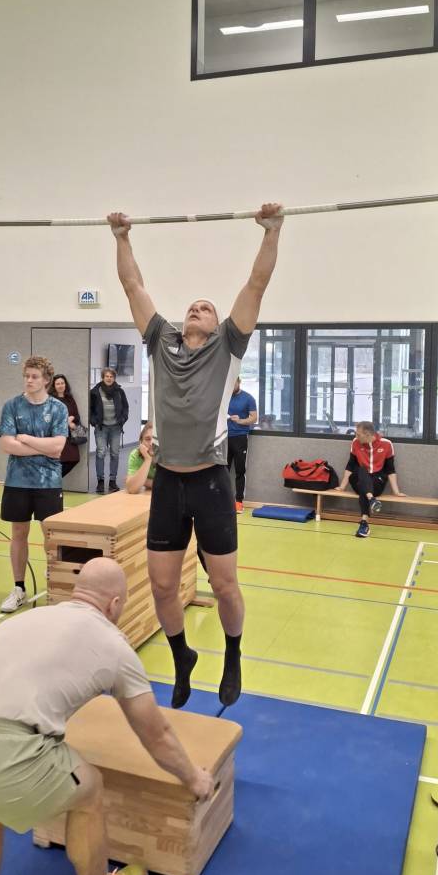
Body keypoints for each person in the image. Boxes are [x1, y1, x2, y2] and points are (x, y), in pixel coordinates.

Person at [0, 557, 213, 875]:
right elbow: (156, 734)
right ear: (114, 604)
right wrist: (194, 779)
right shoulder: (113, 644)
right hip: (4, 763)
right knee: (89, 788)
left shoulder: (26, 618)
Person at [108, 202, 283, 710]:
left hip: (210, 482)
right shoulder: (161, 339)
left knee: (224, 584)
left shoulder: (227, 343)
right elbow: (133, 286)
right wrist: (122, 237)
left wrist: (271, 232)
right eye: (192, 306)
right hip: (167, 481)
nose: (196, 309)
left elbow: (256, 285)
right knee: (162, 586)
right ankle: (181, 655)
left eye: (205, 307)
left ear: (217, 320)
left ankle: (233, 654)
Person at [0, 356, 68, 614]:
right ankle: (18, 588)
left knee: (51, 535)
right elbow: (7, 444)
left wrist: (25, 439)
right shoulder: (12, 406)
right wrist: (43, 447)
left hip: (49, 482)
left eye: (34, 376)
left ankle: (57, 587)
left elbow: (58, 447)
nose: (29, 380)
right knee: (18, 533)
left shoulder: (58, 409)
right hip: (17, 481)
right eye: (26, 376)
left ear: (46, 380)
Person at [338, 421, 405, 538]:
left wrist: (396, 492)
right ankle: (371, 499)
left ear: (368, 434)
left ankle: (364, 522)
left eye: (358, 434)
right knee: (361, 470)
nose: (356, 436)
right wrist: (342, 486)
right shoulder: (355, 442)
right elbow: (350, 466)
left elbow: (390, 470)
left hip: (376, 481)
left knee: (364, 489)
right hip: (360, 478)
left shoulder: (386, 444)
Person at [89, 368, 129, 494]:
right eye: (106, 376)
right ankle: (100, 481)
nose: (109, 378)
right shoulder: (95, 392)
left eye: (111, 376)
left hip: (116, 427)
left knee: (115, 454)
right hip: (101, 427)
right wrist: (94, 421)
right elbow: (90, 409)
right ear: (103, 377)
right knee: (101, 452)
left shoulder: (120, 391)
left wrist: (122, 419)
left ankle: (112, 481)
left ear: (114, 378)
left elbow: (125, 407)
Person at [227, 377, 258, 514]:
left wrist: (240, 421)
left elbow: (254, 418)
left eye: (233, 383)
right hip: (224, 438)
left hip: (240, 437)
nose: (231, 386)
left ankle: (239, 501)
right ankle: (222, 501)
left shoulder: (248, 398)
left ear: (239, 382)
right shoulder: (224, 397)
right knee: (222, 471)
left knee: (240, 470)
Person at [50, 374, 83, 478]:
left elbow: (77, 415)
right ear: (54, 386)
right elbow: (50, 418)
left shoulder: (70, 398)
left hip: (71, 435)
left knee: (74, 459)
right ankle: (52, 482)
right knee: (60, 460)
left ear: (65, 384)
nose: (60, 385)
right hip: (58, 435)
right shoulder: (51, 400)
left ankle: (53, 480)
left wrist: (72, 420)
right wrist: (65, 421)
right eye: (58, 384)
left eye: (62, 383)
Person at [125, 421, 156, 494]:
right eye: (147, 439)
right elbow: (132, 489)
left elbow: (173, 486)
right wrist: (148, 459)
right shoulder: (135, 455)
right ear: (141, 442)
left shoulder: (169, 455)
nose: (151, 443)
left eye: (155, 439)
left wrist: (144, 481)